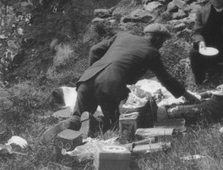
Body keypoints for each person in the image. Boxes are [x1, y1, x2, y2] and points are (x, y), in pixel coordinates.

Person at [41, 23, 199, 143]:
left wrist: (94, 71)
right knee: (119, 124)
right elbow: (166, 79)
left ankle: (72, 123)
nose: (162, 45)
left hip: (86, 80)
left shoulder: (122, 36)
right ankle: (95, 123)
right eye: (163, 42)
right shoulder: (152, 52)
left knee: (78, 115)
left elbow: (94, 50)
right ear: (157, 39)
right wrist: (187, 95)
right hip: (110, 87)